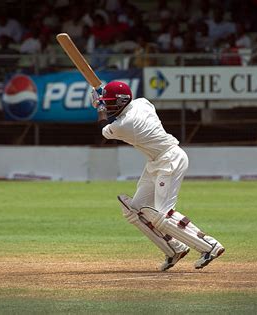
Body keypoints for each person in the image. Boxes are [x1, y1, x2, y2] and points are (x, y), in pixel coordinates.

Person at [91, 81, 225, 271]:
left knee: (162, 214)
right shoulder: (142, 102)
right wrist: (105, 96)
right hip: (155, 162)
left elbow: (104, 128)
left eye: (112, 103)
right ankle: (174, 249)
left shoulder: (126, 125)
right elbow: (117, 107)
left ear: (122, 103)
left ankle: (210, 246)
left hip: (169, 160)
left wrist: (100, 107)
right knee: (133, 210)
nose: (109, 107)